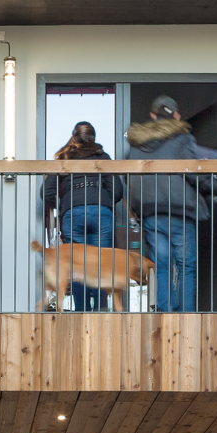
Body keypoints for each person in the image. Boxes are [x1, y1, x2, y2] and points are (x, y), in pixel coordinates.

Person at [124, 95, 217, 312]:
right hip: (180, 212)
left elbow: (130, 181)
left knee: (161, 265)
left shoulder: (136, 146)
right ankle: (187, 315)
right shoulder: (182, 140)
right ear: (177, 116)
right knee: (185, 266)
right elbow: (195, 172)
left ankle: (166, 312)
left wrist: (135, 210)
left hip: (152, 213)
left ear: (153, 116)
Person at [42, 122, 126, 310]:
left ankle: (81, 312)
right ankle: (100, 311)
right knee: (102, 265)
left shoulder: (65, 158)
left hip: (74, 213)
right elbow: (118, 191)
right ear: (93, 138)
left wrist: (64, 204)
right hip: (101, 212)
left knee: (76, 266)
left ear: (74, 137)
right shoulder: (103, 158)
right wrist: (103, 201)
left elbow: (46, 192)